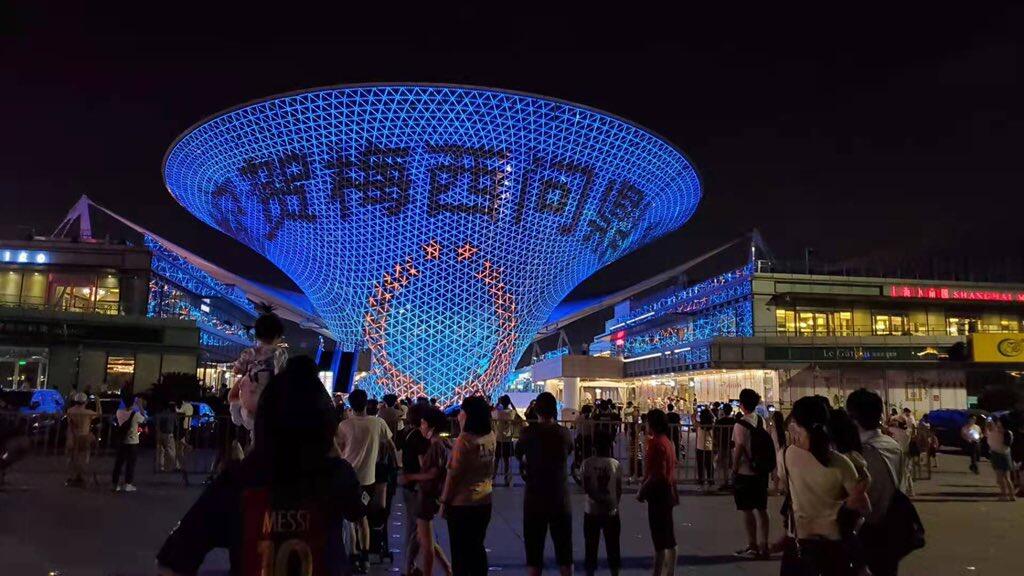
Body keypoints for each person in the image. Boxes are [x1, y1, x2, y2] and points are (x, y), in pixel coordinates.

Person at [157, 356, 365, 576]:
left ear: (264, 420)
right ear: (326, 425)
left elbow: (174, 559)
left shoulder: (236, 481)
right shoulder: (338, 476)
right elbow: (357, 512)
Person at [778, 397, 870, 576]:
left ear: (796, 424)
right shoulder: (842, 463)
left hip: (798, 546)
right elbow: (864, 507)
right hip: (834, 548)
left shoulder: (785, 455)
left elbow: (785, 488)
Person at [846, 388, 907, 576]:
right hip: (892, 526)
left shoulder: (859, 453)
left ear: (853, 418)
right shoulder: (892, 445)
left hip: (865, 530)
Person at [336, 388, 397, 574]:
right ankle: (365, 558)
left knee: (349, 520)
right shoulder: (377, 423)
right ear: (366, 404)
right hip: (368, 481)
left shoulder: (344, 426)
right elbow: (391, 445)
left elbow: (338, 450)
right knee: (362, 518)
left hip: (348, 479)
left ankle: (353, 555)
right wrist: (395, 465)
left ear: (350, 405)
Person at [515, 392, 574, 576]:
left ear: (536, 410)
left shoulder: (527, 433)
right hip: (559, 497)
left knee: (534, 553)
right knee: (565, 552)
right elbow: (569, 450)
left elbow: (518, 453)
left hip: (534, 498)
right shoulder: (564, 433)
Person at [441, 396, 496, 576]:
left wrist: (444, 502)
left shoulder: (464, 440)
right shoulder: (490, 436)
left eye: (461, 412)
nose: (458, 416)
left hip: (462, 504)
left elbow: (453, 476)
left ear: (469, 415)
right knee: (477, 549)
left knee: (461, 554)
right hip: (484, 501)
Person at [401, 407, 453, 576]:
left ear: (432, 427)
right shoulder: (439, 444)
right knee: (424, 538)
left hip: (426, 498)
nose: (421, 427)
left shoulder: (435, 446)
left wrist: (411, 477)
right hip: (429, 497)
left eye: (423, 424)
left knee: (426, 545)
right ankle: (447, 569)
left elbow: (433, 473)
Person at [229, 312, 288, 433]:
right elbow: (282, 373)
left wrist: (246, 371)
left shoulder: (249, 352)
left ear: (256, 335)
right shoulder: (280, 353)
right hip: (268, 403)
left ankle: (239, 418)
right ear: (278, 336)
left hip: (249, 403)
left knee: (233, 400)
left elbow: (236, 370)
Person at [396, 404, 437, 576]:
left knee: (416, 529)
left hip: (410, 486)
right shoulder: (419, 437)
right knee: (417, 531)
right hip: (416, 488)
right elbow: (424, 465)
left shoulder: (407, 432)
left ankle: (410, 567)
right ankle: (409, 568)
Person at [731, 389, 770, 559]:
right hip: (761, 471)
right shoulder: (761, 421)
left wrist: (734, 468)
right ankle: (765, 545)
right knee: (762, 509)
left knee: (747, 510)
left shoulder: (740, 424)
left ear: (742, 404)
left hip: (745, 472)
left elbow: (739, 448)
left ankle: (752, 545)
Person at [638, 409, 677, 576]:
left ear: (652, 424)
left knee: (659, 539)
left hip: (658, 494)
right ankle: (670, 572)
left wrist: (642, 490)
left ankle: (658, 573)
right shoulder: (667, 442)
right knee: (668, 536)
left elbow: (657, 473)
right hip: (668, 492)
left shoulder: (656, 444)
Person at [582, 430, 622, 576]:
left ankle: (590, 572)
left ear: (594, 447)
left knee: (590, 547)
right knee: (613, 547)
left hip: (591, 510)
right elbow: (618, 489)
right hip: (611, 510)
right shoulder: (615, 464)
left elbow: (585, 487)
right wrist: (614, 504)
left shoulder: (587, 463)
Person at [65, 392, 101, 487]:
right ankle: (80, 476)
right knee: (83, 458)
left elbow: (70, 422)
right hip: (84, 436)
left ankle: (73, 477)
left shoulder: (70, 411)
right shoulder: (87, 412)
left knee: (72, 458)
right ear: (85, 402)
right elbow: (99, 414)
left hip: (73, 436)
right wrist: (98, 402)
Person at [112, 395, 146, 492]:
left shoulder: (119, 412)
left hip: (121, 441)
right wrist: (140, 406)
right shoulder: (135, 414)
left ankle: (115, 484)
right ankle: (128, 484)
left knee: (119, 463)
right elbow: (144, 419)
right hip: (132, 441)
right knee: (130, 463)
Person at [985, 416, 1016, 501]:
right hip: (1006, 454)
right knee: (1007, 478)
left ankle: (1004, 495)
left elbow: (988, 432)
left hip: (996, 454)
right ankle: (1012, 495)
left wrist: (989, 424)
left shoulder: (996, 432)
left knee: (1000, 478)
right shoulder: (1009, 433)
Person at [492, 395, 519, 487]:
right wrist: (511, 403)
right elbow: (515, 411)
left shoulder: (499, 413)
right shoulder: (510, 413)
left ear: (501, 403)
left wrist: (497, 403)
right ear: (508, 402)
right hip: (508, 439)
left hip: (498, 438)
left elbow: (492, 412)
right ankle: (506, 479)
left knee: (496, 459)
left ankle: (493, 477)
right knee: (506, 460)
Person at [155, 401, 181, 472]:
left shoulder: (162, 413)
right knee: (171, 450)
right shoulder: (172, 414)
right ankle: (177, 466)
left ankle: (161, 467)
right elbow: (176, 424)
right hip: (168, 434)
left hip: (161, 433)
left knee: (161, 451)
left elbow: (158, 423)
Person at [715, 404, 735, 490]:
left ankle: (724, 481)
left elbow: (716, 433)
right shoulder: (734, 421)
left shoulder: (719, 421)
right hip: (732, 445)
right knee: (733, 463)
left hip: (722, 444)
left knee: (723, 464)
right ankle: (732, 480)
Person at [694, 408, 715, 491]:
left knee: (700, 465)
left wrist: (695, 412)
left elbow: (693, 418)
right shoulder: (712, 425)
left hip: (700, 447)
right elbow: (714, 418)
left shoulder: (699, 425)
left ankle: (701, 482)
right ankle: (710, 481)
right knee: (709, 465)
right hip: (709, 447)